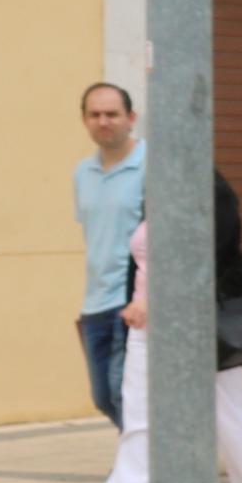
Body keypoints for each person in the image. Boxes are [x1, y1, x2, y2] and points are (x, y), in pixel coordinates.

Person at [83, 172, 242, 483]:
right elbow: (143, 260)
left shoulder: (212, 189)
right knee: (139, 417)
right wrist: (137, 303)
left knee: (229, 414)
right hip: (147, 325)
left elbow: (210, 260)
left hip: (198, 327)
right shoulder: (158, 185)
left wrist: (156, 301)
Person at [72, 81, 144, 425]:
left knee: (122, 392)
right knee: (103, 397)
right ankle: (141, 464)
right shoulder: (82, 174)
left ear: (131, 118)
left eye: (112, 114)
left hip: (132, 302)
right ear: (85, 121)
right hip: (94, 305)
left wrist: (145, 298)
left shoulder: (151, 167)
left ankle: (139, 471)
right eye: (95, 114)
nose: (103, 121)